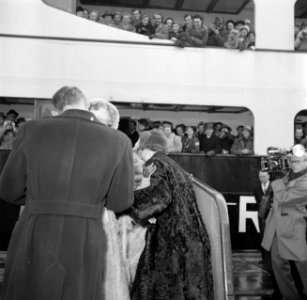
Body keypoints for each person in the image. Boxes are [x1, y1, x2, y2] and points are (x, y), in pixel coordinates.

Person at [0, 86, 134, 300]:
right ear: (86, 105)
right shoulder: (119, 141)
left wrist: (40, 198)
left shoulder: (30, 130)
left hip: (36, 228)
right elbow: (121, 201)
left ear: (56, 110)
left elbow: (9, 190)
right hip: (85, 232)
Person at [130, 130, 213, 300]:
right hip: (188, 239)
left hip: (173, 242)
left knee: (165, 288)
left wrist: (128, 201)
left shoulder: (157, 164)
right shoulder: (171, 164)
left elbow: (161, 197)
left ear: (145, 148)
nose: (137, 154)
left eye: (138, 149)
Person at [262, 144, 307, 300]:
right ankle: (290, 296)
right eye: (292, 160)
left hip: (294, 228)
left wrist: (276, 180)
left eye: (298, 161)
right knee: (278, 264)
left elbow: (284, 198)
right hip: (277, 227)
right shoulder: (290, 175)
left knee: (302, 266)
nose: (295, 163)